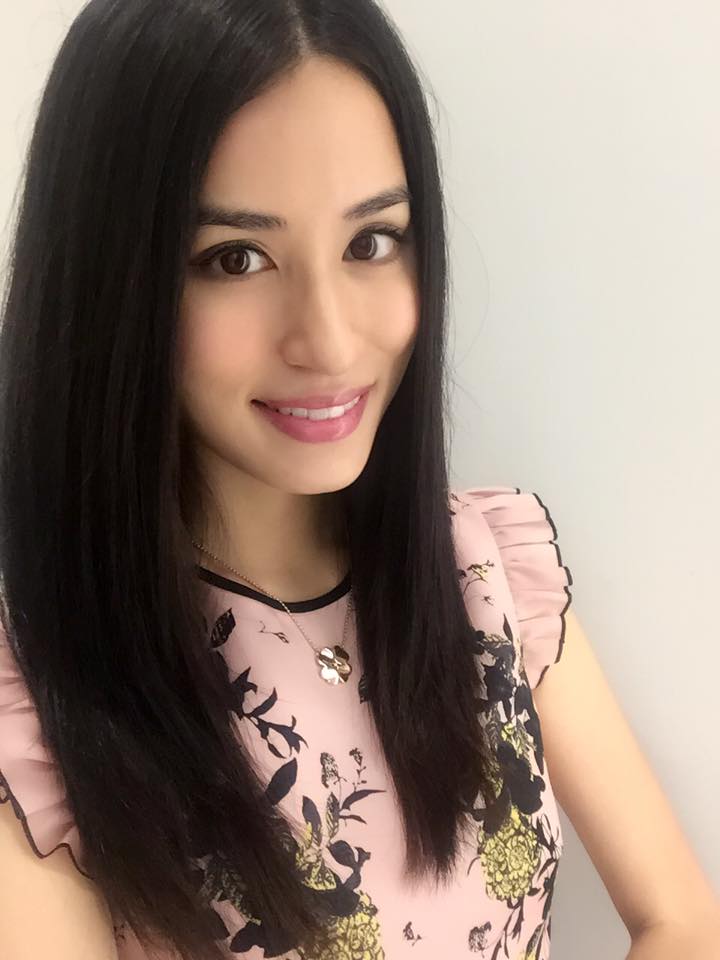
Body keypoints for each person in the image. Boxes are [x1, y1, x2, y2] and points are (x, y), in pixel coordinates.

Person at [1, 2, 717, 960]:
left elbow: (682, 919)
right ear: (110, 283)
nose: (332, 342)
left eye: (371, 241)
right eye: (235, 258)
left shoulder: (487, 572)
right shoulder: (39, 707)